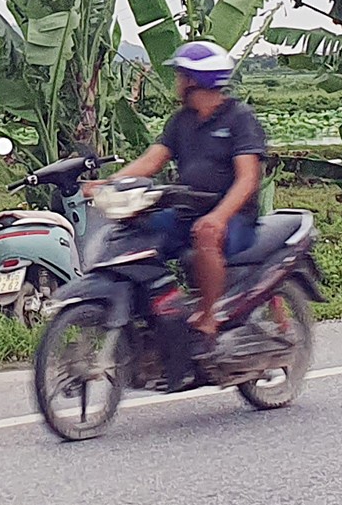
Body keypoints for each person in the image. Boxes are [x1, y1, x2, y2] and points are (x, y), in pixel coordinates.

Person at [85, 41, 266, 380]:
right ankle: (159, 315)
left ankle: (209, 318)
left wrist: (219, 216)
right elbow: (152, 161)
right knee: (136, 234)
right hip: (185, 211)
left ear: (195, 80)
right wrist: (108, 184)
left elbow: (247, 179)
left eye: (180, 74)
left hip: (234, 219)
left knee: (206, 233)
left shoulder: (239, 119)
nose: (176, 81)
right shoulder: (181, 121)